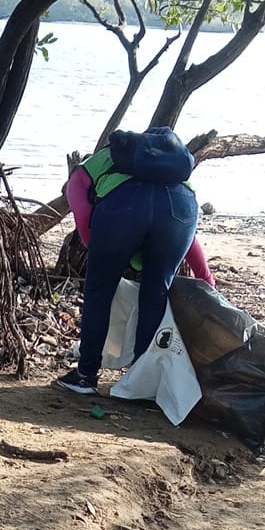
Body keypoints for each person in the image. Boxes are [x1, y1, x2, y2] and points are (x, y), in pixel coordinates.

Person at [56, 127, 215, 396]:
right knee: (156, 293)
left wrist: (91, 242)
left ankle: (85, 376)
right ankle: (142, 381)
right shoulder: (175, 172)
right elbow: (188, 233)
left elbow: (75, 189)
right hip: (181, 211)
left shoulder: (108, 156)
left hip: (123, 210)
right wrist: (206, 279)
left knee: (99, 291)